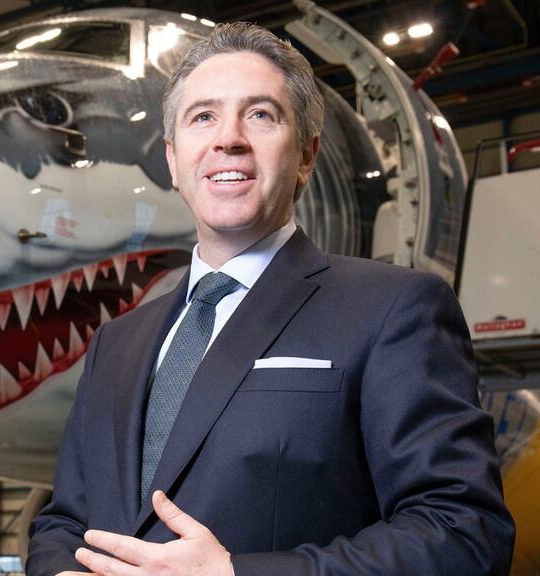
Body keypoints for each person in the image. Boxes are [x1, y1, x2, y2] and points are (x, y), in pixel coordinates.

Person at [26, 21, 514, 576]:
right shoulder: (118, 342)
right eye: (202, 116)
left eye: (260, 114)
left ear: (305, 155)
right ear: (173, 158)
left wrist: (236, 575)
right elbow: (63, 521)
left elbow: (465, 534)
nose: (227, 137)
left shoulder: (395, 309)